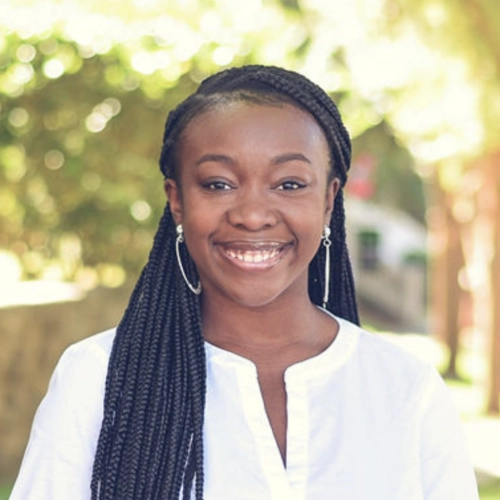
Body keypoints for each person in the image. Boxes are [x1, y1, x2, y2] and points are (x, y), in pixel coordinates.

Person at [11, 65, 478, 500]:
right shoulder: (98, 379)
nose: (253, 215)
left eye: (289, 184)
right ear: (176, 200)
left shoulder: (404, 388)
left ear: (329, 199)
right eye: (218, 184)